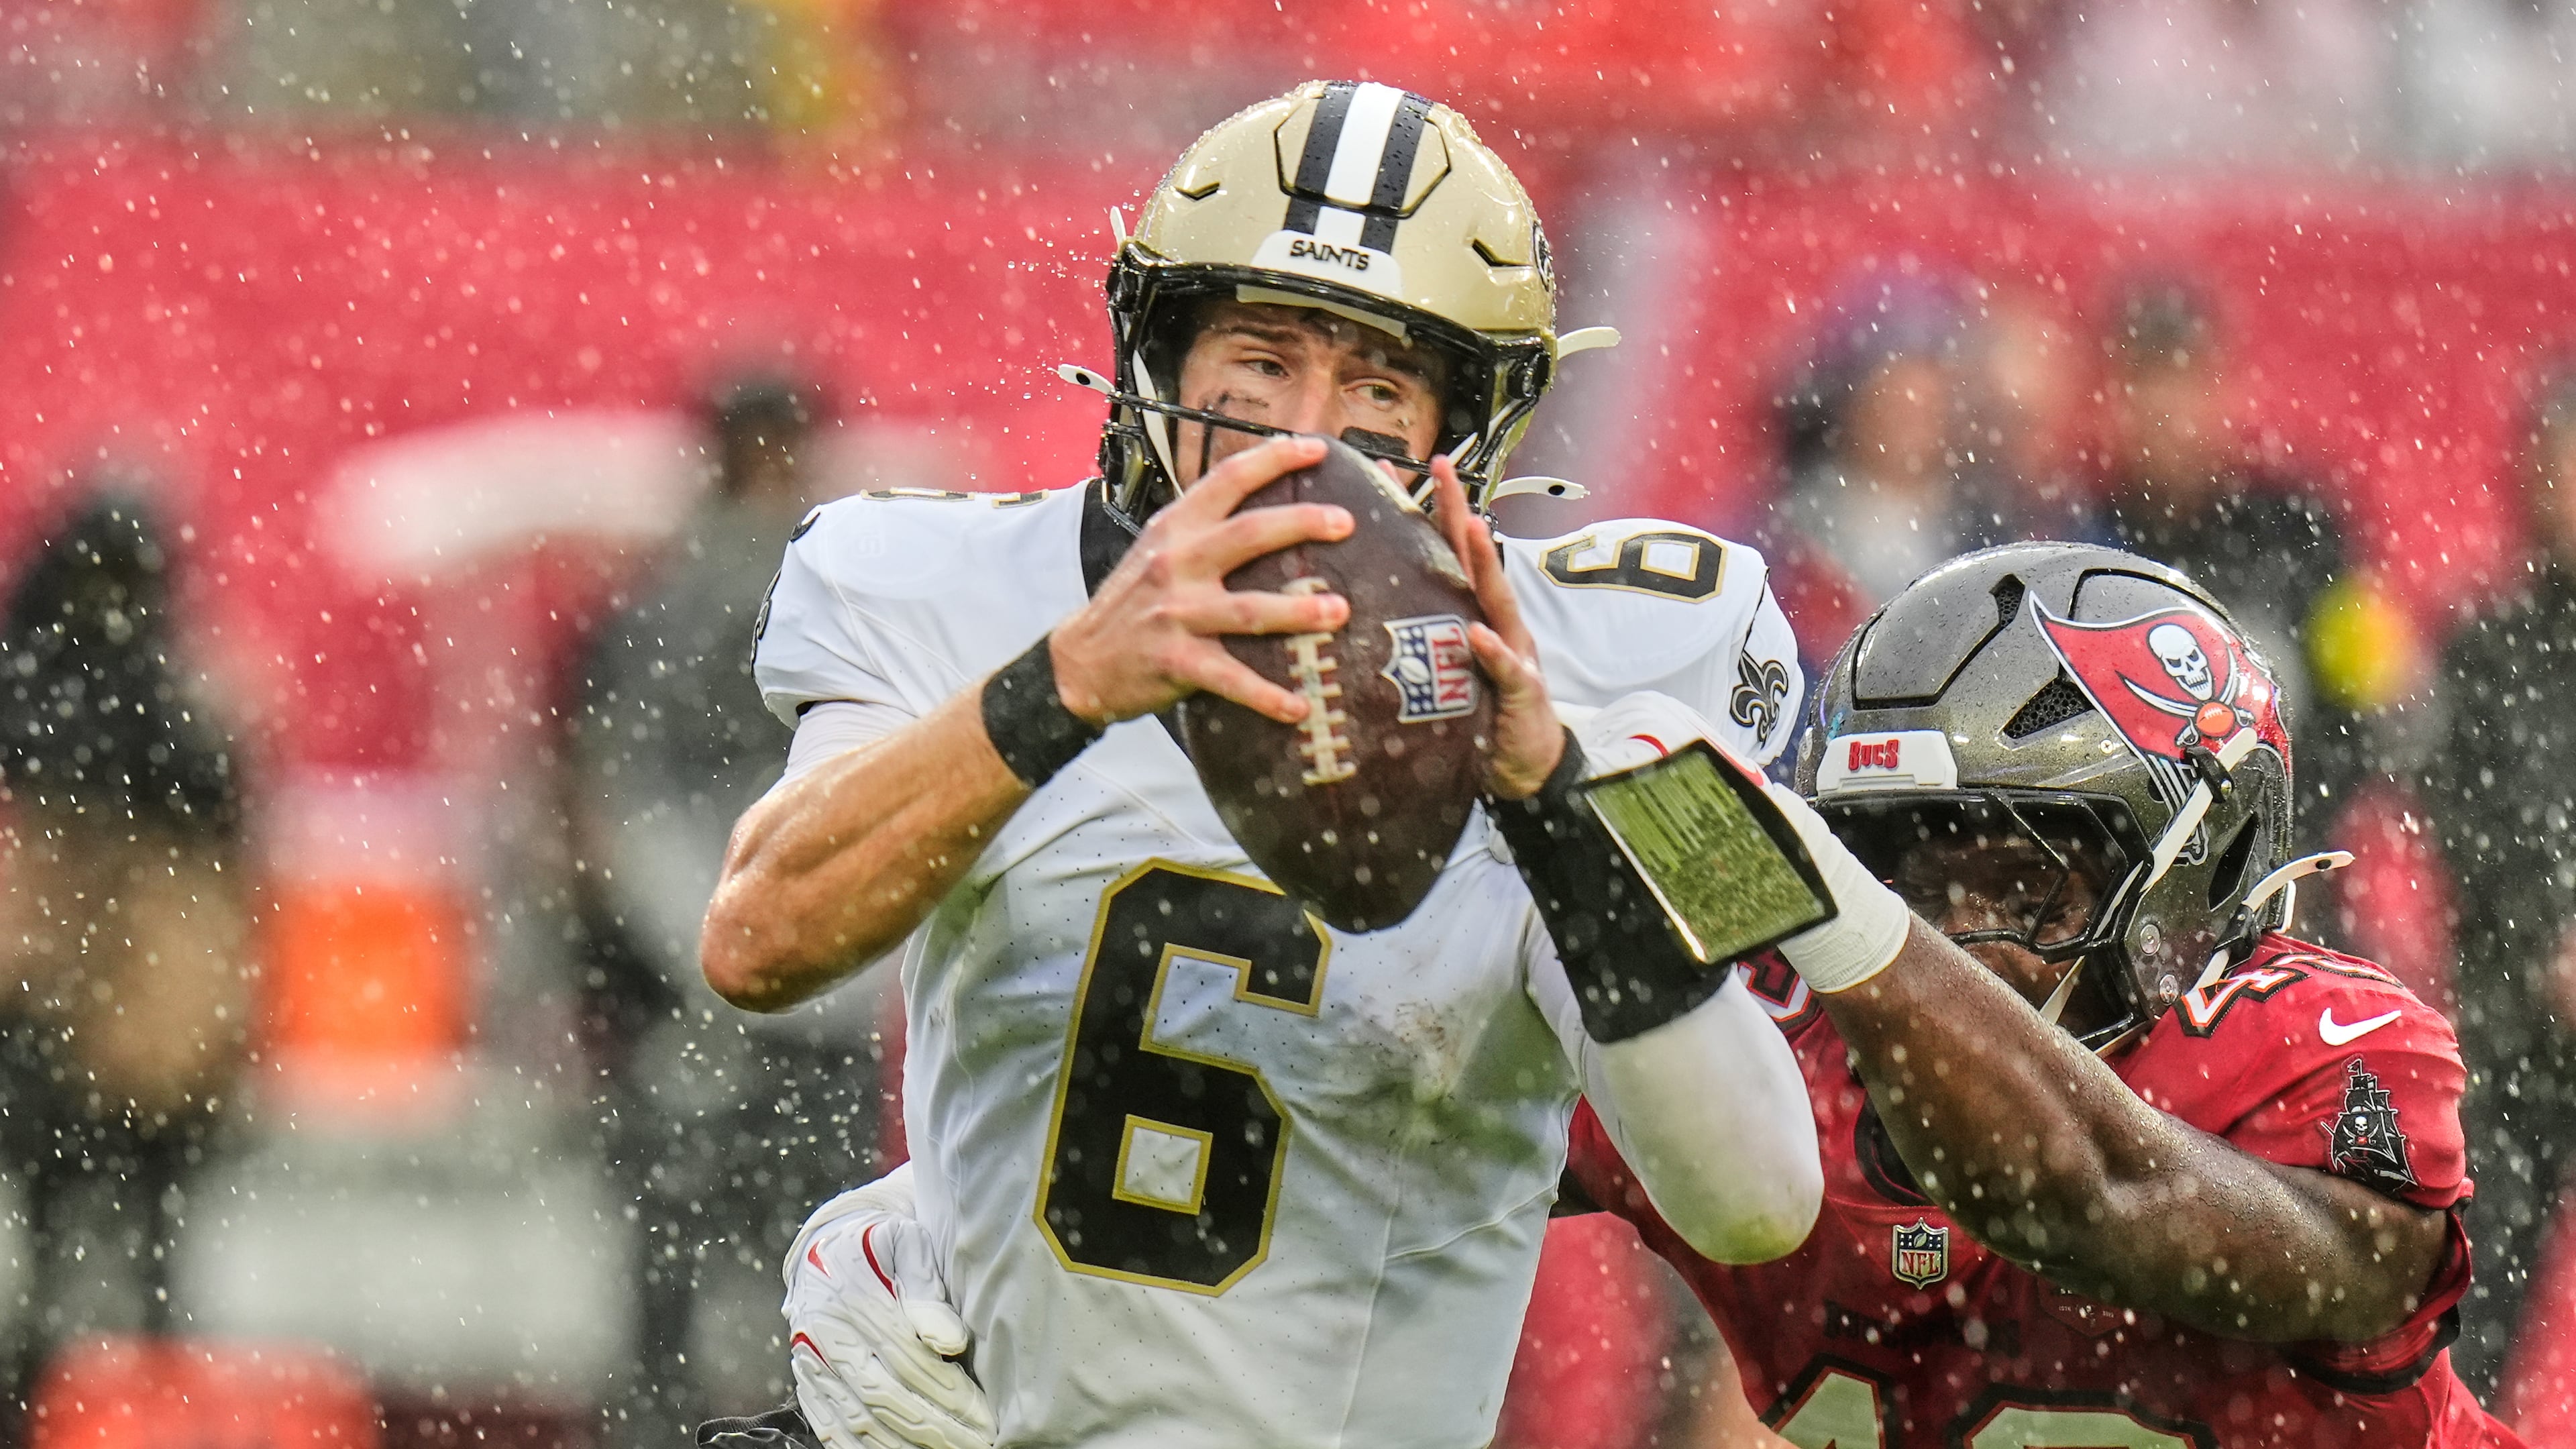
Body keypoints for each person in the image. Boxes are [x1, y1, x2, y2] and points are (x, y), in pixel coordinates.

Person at [819, 543, 2524, 1448]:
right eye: (1907, 864)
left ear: (2197, 862)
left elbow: (2087, 1190)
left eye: (2020, 879)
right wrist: (970, 1245)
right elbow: (1352, 1111)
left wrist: (1846, 912)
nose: (1960, 930)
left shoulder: (2324, 1050)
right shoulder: (1788, 1044)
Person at [698, 81, 1825, 1449]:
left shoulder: (1612, 661)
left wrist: (1552, 800)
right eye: (1260, 361)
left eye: (1380, 385)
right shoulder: (949, 588)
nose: (1305, 433)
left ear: (1470, 428)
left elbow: (1758, 1203)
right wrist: (1066, 684)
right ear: (1160, 362)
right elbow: (760, 938)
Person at [570, 376, 898, 1444]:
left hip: (767, 999)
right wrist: (734, 951)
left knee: (780, 1282)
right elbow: (628, 800)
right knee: (712, 1283)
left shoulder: (811, 597)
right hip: (720, 996)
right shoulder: (693, 604)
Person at [0, 492, 252, 1428]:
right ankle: (124, 1413)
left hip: (70, 1025)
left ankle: (56, 1408)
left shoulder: (38, 687)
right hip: (145, 1035)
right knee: (144, 1265)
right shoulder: (177, 703)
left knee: (60, 1260)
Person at [2429, 372, 2576, 1398]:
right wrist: (2546, 952)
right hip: (2515, 1025)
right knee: (2477, 1306)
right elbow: (2462, 825)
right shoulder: (2484, 643)